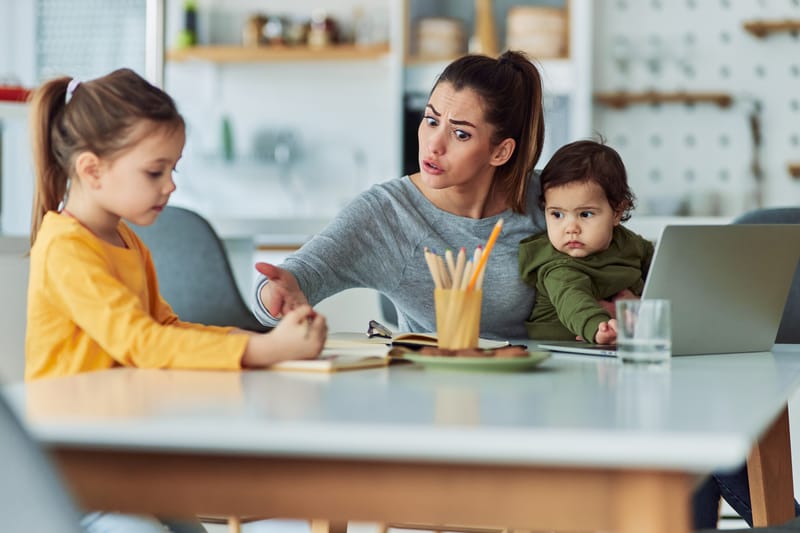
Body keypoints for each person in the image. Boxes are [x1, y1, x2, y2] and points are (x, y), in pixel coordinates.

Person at [25, 68, 327, 532]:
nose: (170, 185)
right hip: (75, 471)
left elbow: (164, 328)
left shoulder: (125, 240)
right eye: (154, 171)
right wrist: (263, 350)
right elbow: (141, 343)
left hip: (126, 459)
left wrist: (258, 341)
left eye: (173, 169)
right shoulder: (66, 248)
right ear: (91, 169)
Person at [252, 50, 548, 339]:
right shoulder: (387, 213)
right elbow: (296, 276)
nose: (434, 144)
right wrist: (275, 292)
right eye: (431, 121)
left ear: (501, 151)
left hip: (545, 380)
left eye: (460, 134)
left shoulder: (550, 201)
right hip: (429, 381)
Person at [518, 139, 653, 345]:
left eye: (585, 214)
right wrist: (600, 327)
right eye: (557, 215)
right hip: (561, 350)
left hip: (618, 342)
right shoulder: (558, 267)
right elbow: (573, 301)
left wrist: (648, 305)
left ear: (617, 212)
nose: (570, 228)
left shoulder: (629, 243)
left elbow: (658, 266)